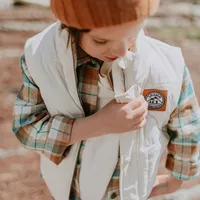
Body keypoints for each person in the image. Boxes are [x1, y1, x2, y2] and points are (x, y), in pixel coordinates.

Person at [12, 0, 200, 199]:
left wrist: (175, 181)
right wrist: (99, 124)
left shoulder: (167, 67)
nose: (121, 51)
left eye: (131, 35)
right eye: (101, 41)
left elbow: (187, 127)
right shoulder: (41, 57)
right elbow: (27, 126)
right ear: (71, 27)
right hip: (70, 190)